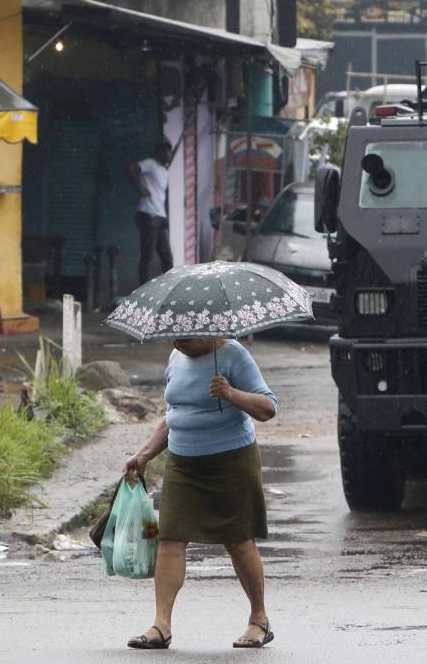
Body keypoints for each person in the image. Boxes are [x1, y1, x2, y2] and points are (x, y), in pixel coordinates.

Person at [122, 338, 278, 650]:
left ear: (206, 329)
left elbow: (267, 408)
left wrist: (231, 393)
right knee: (170, 538)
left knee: (238, 541)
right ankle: (161, 625)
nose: (177, 341)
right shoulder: (175, 357)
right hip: (183, 464)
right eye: (174, 336)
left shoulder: (233, 355)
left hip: (231, 461)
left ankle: (259, 619)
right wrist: (144, 454)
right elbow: (173, 414)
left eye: (185, 337)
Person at [128, 142, 174, 285]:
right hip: (148, 215)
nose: (169, 154)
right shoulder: (150, 164)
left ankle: (169, 289)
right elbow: (131, 168)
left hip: (159, 217)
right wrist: (140, 188)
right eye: (166, 151)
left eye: (170, 151)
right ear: (159, 152)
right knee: (147, 257)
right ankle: (143, 290)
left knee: (167, 257)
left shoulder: (164, 170)